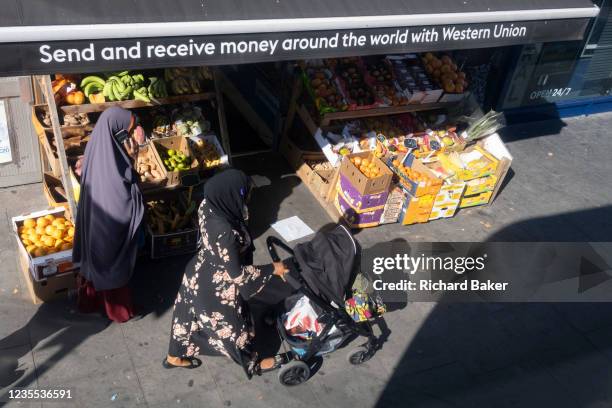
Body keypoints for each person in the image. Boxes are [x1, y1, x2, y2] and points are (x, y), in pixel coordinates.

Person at [164, 169, 288, 376]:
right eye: (245, 194)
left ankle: (174, 355)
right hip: (217, 286)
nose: (248, 198)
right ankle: (253, 363)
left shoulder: (208, 205)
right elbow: (238, 275)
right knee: (232, 328)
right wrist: (272, 269)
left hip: (197, 271)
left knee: (185, 316)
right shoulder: (226, 233)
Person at [73, 106, 146, 323]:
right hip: (108, 221)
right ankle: (119, 311)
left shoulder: (99, 148)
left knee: (96, 260)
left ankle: (89, 302)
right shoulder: (113, 159)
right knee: (111, 261)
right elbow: (122, 194)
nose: (129, 134)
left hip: (94, 221)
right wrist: (133, 161)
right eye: (127, 129)